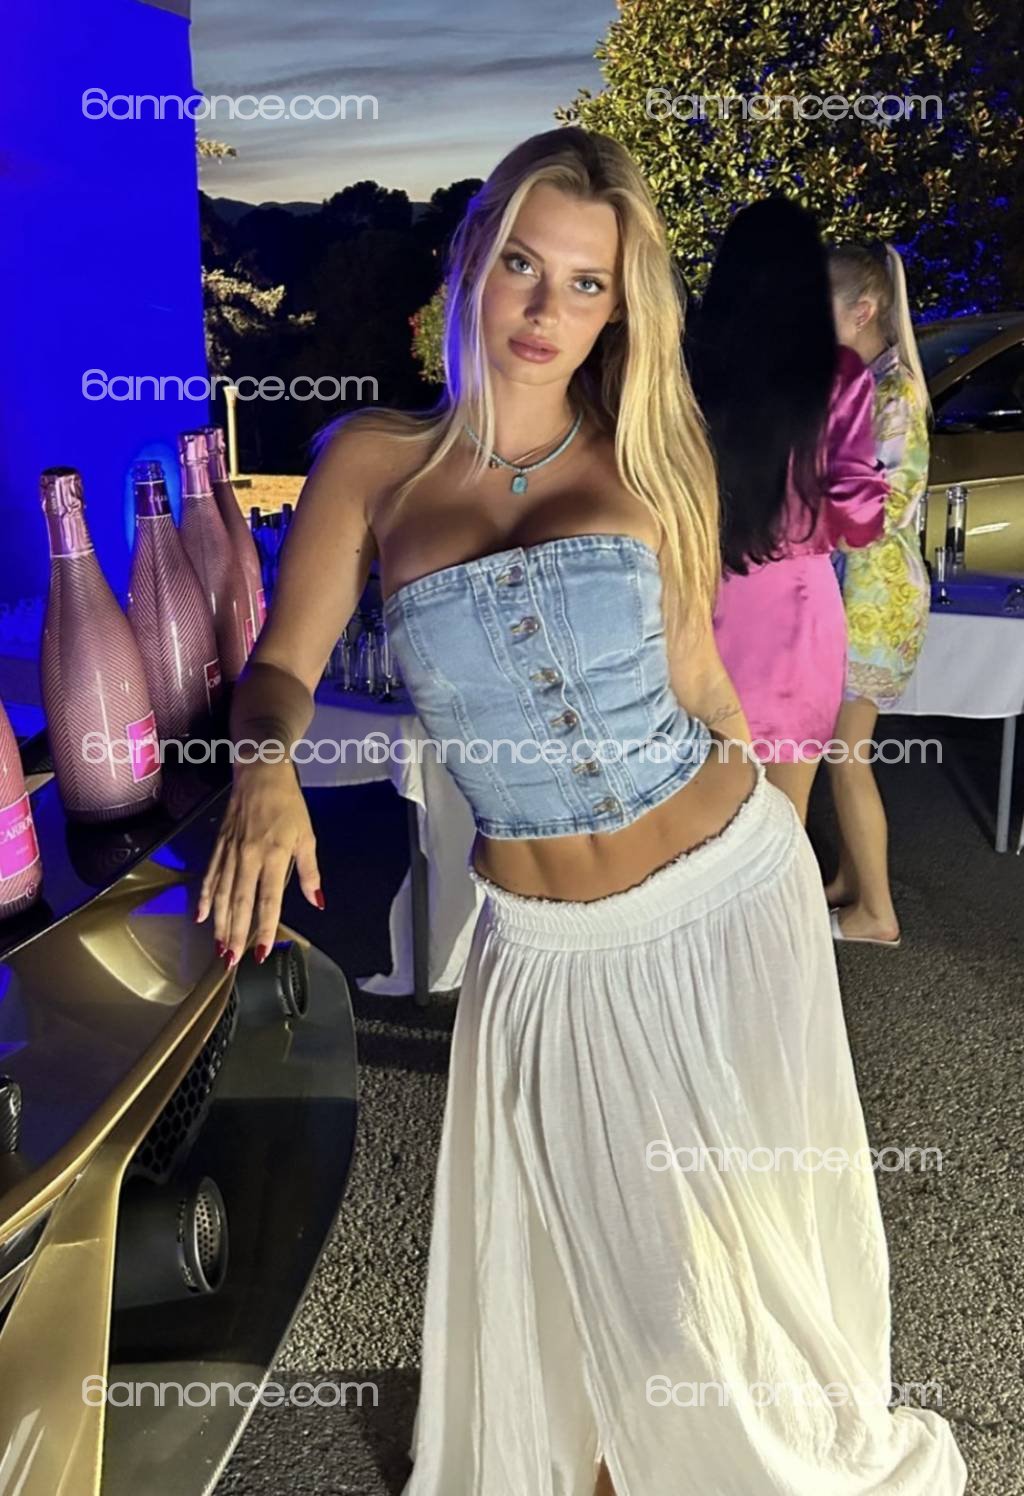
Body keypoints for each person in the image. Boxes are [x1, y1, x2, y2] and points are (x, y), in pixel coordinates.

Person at [194, 129, 966, 1495]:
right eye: (523, 266)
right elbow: (279, 669)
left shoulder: (650, 454)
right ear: (470, 260)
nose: (546, 310)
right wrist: (263, 771)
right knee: (580, 1250)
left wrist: (779, 832)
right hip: (545, 950)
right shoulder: (371, 464)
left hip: (727, 895)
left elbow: (700, 678)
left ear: (620, 307)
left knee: (715, 1252)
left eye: (588, 283)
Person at [687, 196, 888, 825]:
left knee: (695, 816)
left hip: (695, 597)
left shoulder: (686, 368)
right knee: (783, 817)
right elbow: (859, 518)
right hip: (795, 611)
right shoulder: (838, 374)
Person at [824, 241, 932, 946]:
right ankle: (850, 880)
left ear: (862, 311)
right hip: (861, 590)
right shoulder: (869, 382)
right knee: (841, 750)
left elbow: (885, 505)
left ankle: (877, 914)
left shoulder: (894, 394)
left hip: (874, 597)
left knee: (847, 752)